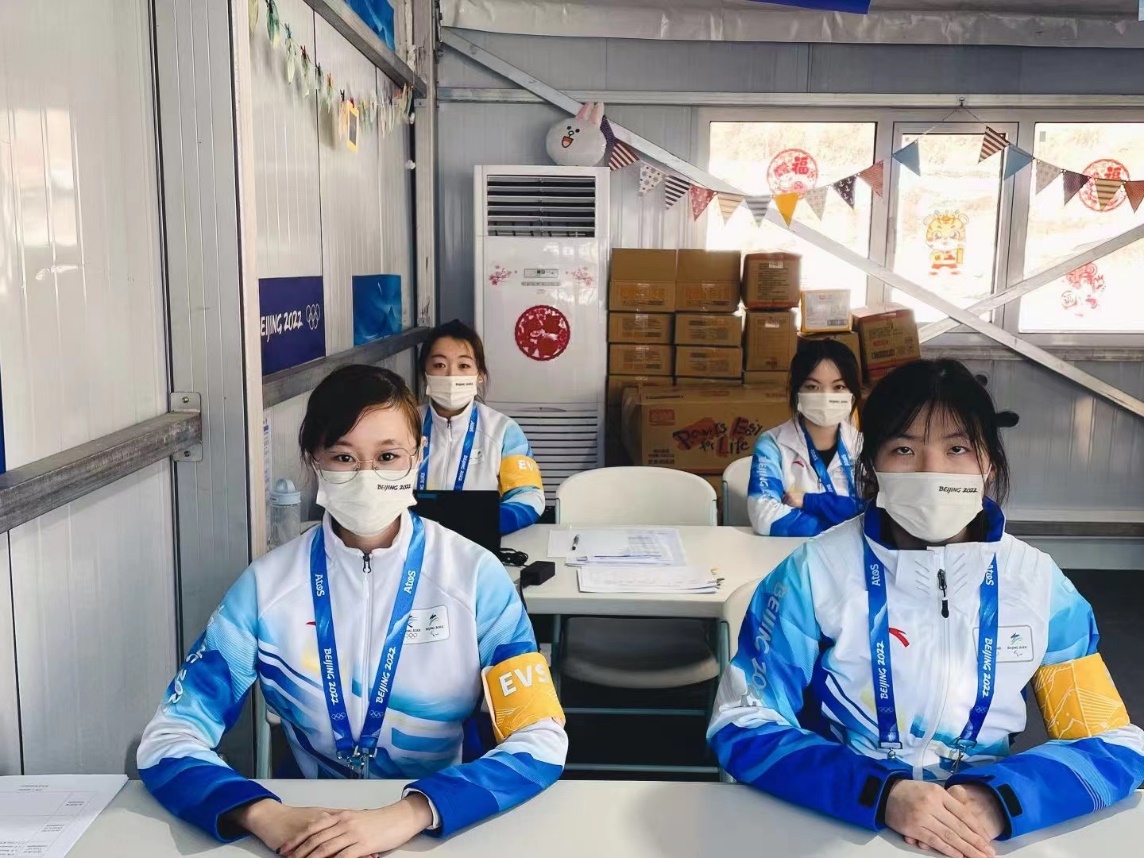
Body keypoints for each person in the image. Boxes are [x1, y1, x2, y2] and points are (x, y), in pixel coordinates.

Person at [710, 360, 1144, 857]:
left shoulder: (1040, 585)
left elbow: (1111, 743)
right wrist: (880, 793)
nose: (931, 469)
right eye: (904, 449)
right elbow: (741, 721)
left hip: (978, 832)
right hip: (840, 822)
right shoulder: (813, 573)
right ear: (872, 466)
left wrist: (1000, 799)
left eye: (957, 448)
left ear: (990, 463)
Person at [137, 365, 567, 856]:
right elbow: (168, 738)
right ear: (313, 461)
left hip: (442, 826)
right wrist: (264, 814)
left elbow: (541, 737)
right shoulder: (266, 587)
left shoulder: (475, 577)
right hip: (306, 829)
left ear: (417, 457)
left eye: (388, 456)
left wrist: (411, 813)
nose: (367, 476)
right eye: (343, 457)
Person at [417, 320, 545, 534]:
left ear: (480, 376)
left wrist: (486, 524)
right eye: (439, 365)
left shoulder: (504, 430)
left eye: (464, 366)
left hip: (478, 543)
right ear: (424, 373)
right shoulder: (402, 424)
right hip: (413, 541)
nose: (451, 375)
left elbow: (530, 496)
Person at [747, 338, 863, 536]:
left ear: (852, 393)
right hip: (788, 551)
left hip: (852, 552)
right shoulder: (772, 444)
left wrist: (811, 502)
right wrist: (846, 523)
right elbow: (764, 516)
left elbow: (878, 512)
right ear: (797, 391)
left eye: (838, 387)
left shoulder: (864, 446)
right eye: (812, 387)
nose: (825, 396)